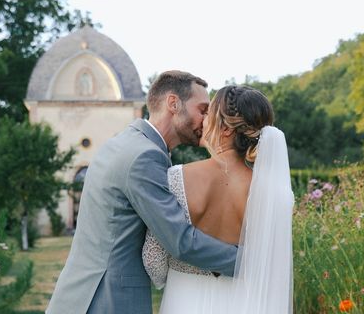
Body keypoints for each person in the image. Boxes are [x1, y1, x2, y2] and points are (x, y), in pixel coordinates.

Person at [46, 71, 239, 314]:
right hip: (108, 299)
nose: (206, 120)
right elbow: (179, 241)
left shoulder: (125, 142)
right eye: (202, 109)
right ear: (173, 103)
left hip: (79, 295)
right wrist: (248, 261)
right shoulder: (145, 157)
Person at [143, 85, 294, 313]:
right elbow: (273, 264)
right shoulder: (276, 194)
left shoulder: (176, 177)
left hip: (184, 299)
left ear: (225, 130)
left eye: (208, 114)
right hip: (245, 302)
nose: (202, 121)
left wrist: (177, 274)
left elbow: (153, 260)